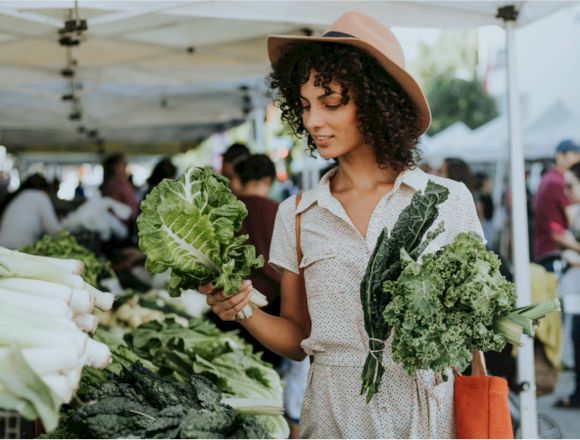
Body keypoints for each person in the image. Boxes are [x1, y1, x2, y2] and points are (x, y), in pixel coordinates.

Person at [198, 12, 483, 438]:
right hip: (334, 417)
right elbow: (297, 337)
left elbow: (477, 325)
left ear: (377, 101)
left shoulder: (447, 200)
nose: (313, 122)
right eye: (306, 105)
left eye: (331, 103)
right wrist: (243, 308)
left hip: (426, 418)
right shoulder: (296, 213)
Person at [533, 139, 580, 270]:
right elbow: (574, 222)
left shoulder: (549, 178)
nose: (578, 159)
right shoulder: (558, 182)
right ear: (560, 156)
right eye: (575, 155)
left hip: (549, 251)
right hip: (555, 254)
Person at [0, 173, 60, 249]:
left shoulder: (19, 195)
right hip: (19, 249)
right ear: (44, 189)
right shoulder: (41, 196)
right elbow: (54, 230)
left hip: (2, 247)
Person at [100, 153, 139, 220]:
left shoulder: (109, 184)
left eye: (125, 164)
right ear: (113, 167)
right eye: (122, 165)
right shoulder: (118, 184)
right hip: (122, 223)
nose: (125, 167)